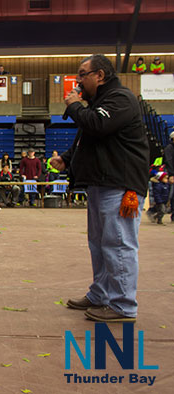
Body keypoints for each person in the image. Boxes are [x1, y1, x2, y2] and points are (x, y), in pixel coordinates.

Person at [50, 54, 149, 323]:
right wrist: (67, 158)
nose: (78, 79)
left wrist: (73, 107)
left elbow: (97, 125)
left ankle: (123, 305)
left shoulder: (120, 99)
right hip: (102, 183)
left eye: (82, 74)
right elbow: (88, 137)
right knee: (99, 244)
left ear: (100, 76)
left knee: (118, 244)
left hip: (120, 185)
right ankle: (101, 294)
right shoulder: (100, 103)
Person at [164, 131, 174, 222]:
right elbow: (169, 161)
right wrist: (171, 174)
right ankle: (155, 210)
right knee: (169, 195)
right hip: (171, 174)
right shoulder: (169, 148)